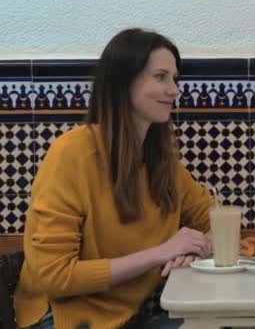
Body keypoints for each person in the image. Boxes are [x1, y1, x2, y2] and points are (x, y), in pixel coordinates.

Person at [14, 28, 216, 328]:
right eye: (161, 77)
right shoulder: (71, 154)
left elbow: (215, 221)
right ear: (123, 84)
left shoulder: (162, 161)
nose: (174, 90)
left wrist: (199, 250)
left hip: (142, 309)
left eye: (175, 79)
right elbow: (55, 276)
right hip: (66, 317)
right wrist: (162, 252)